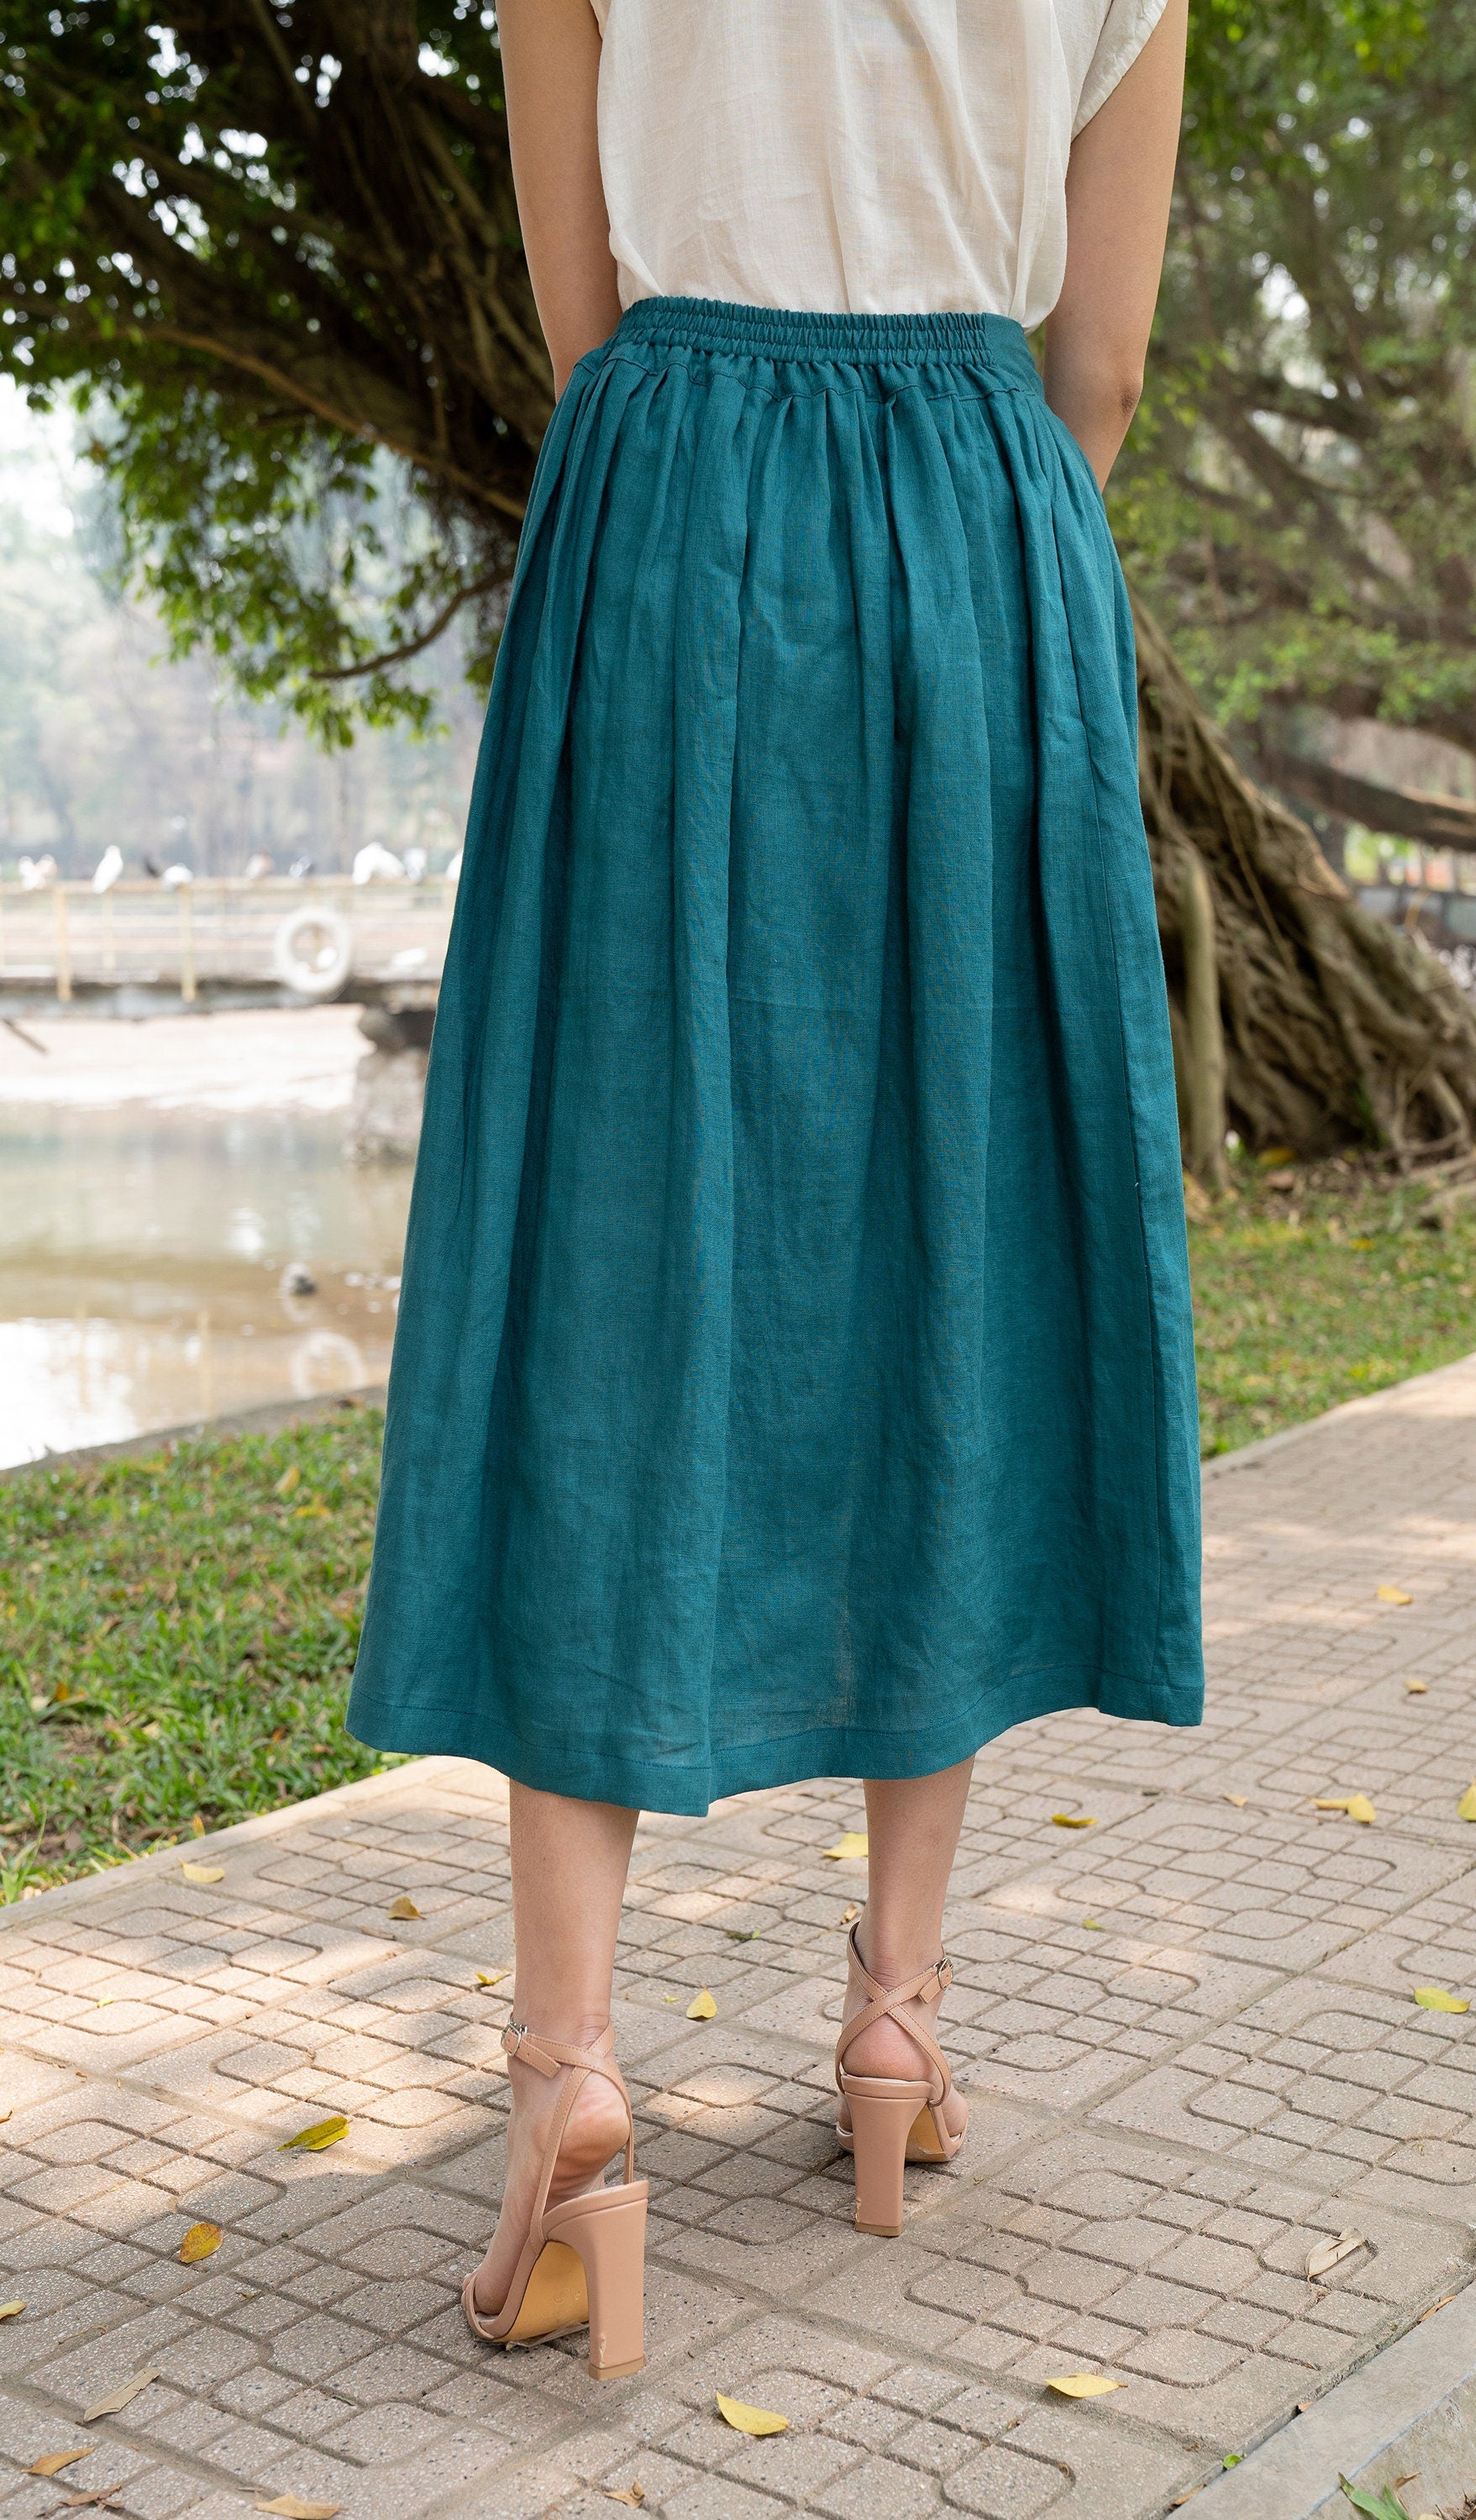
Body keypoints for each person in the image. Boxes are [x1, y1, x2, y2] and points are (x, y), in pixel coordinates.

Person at [347, 0, 1201, 2377]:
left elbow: (580, 295)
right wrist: (955, 532)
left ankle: (570, 2086)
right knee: (959, 1247)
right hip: (981, 524)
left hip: (676, 506)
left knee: (605, 1258)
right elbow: (1102, 367)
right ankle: (896, 2029)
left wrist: (719, 475)